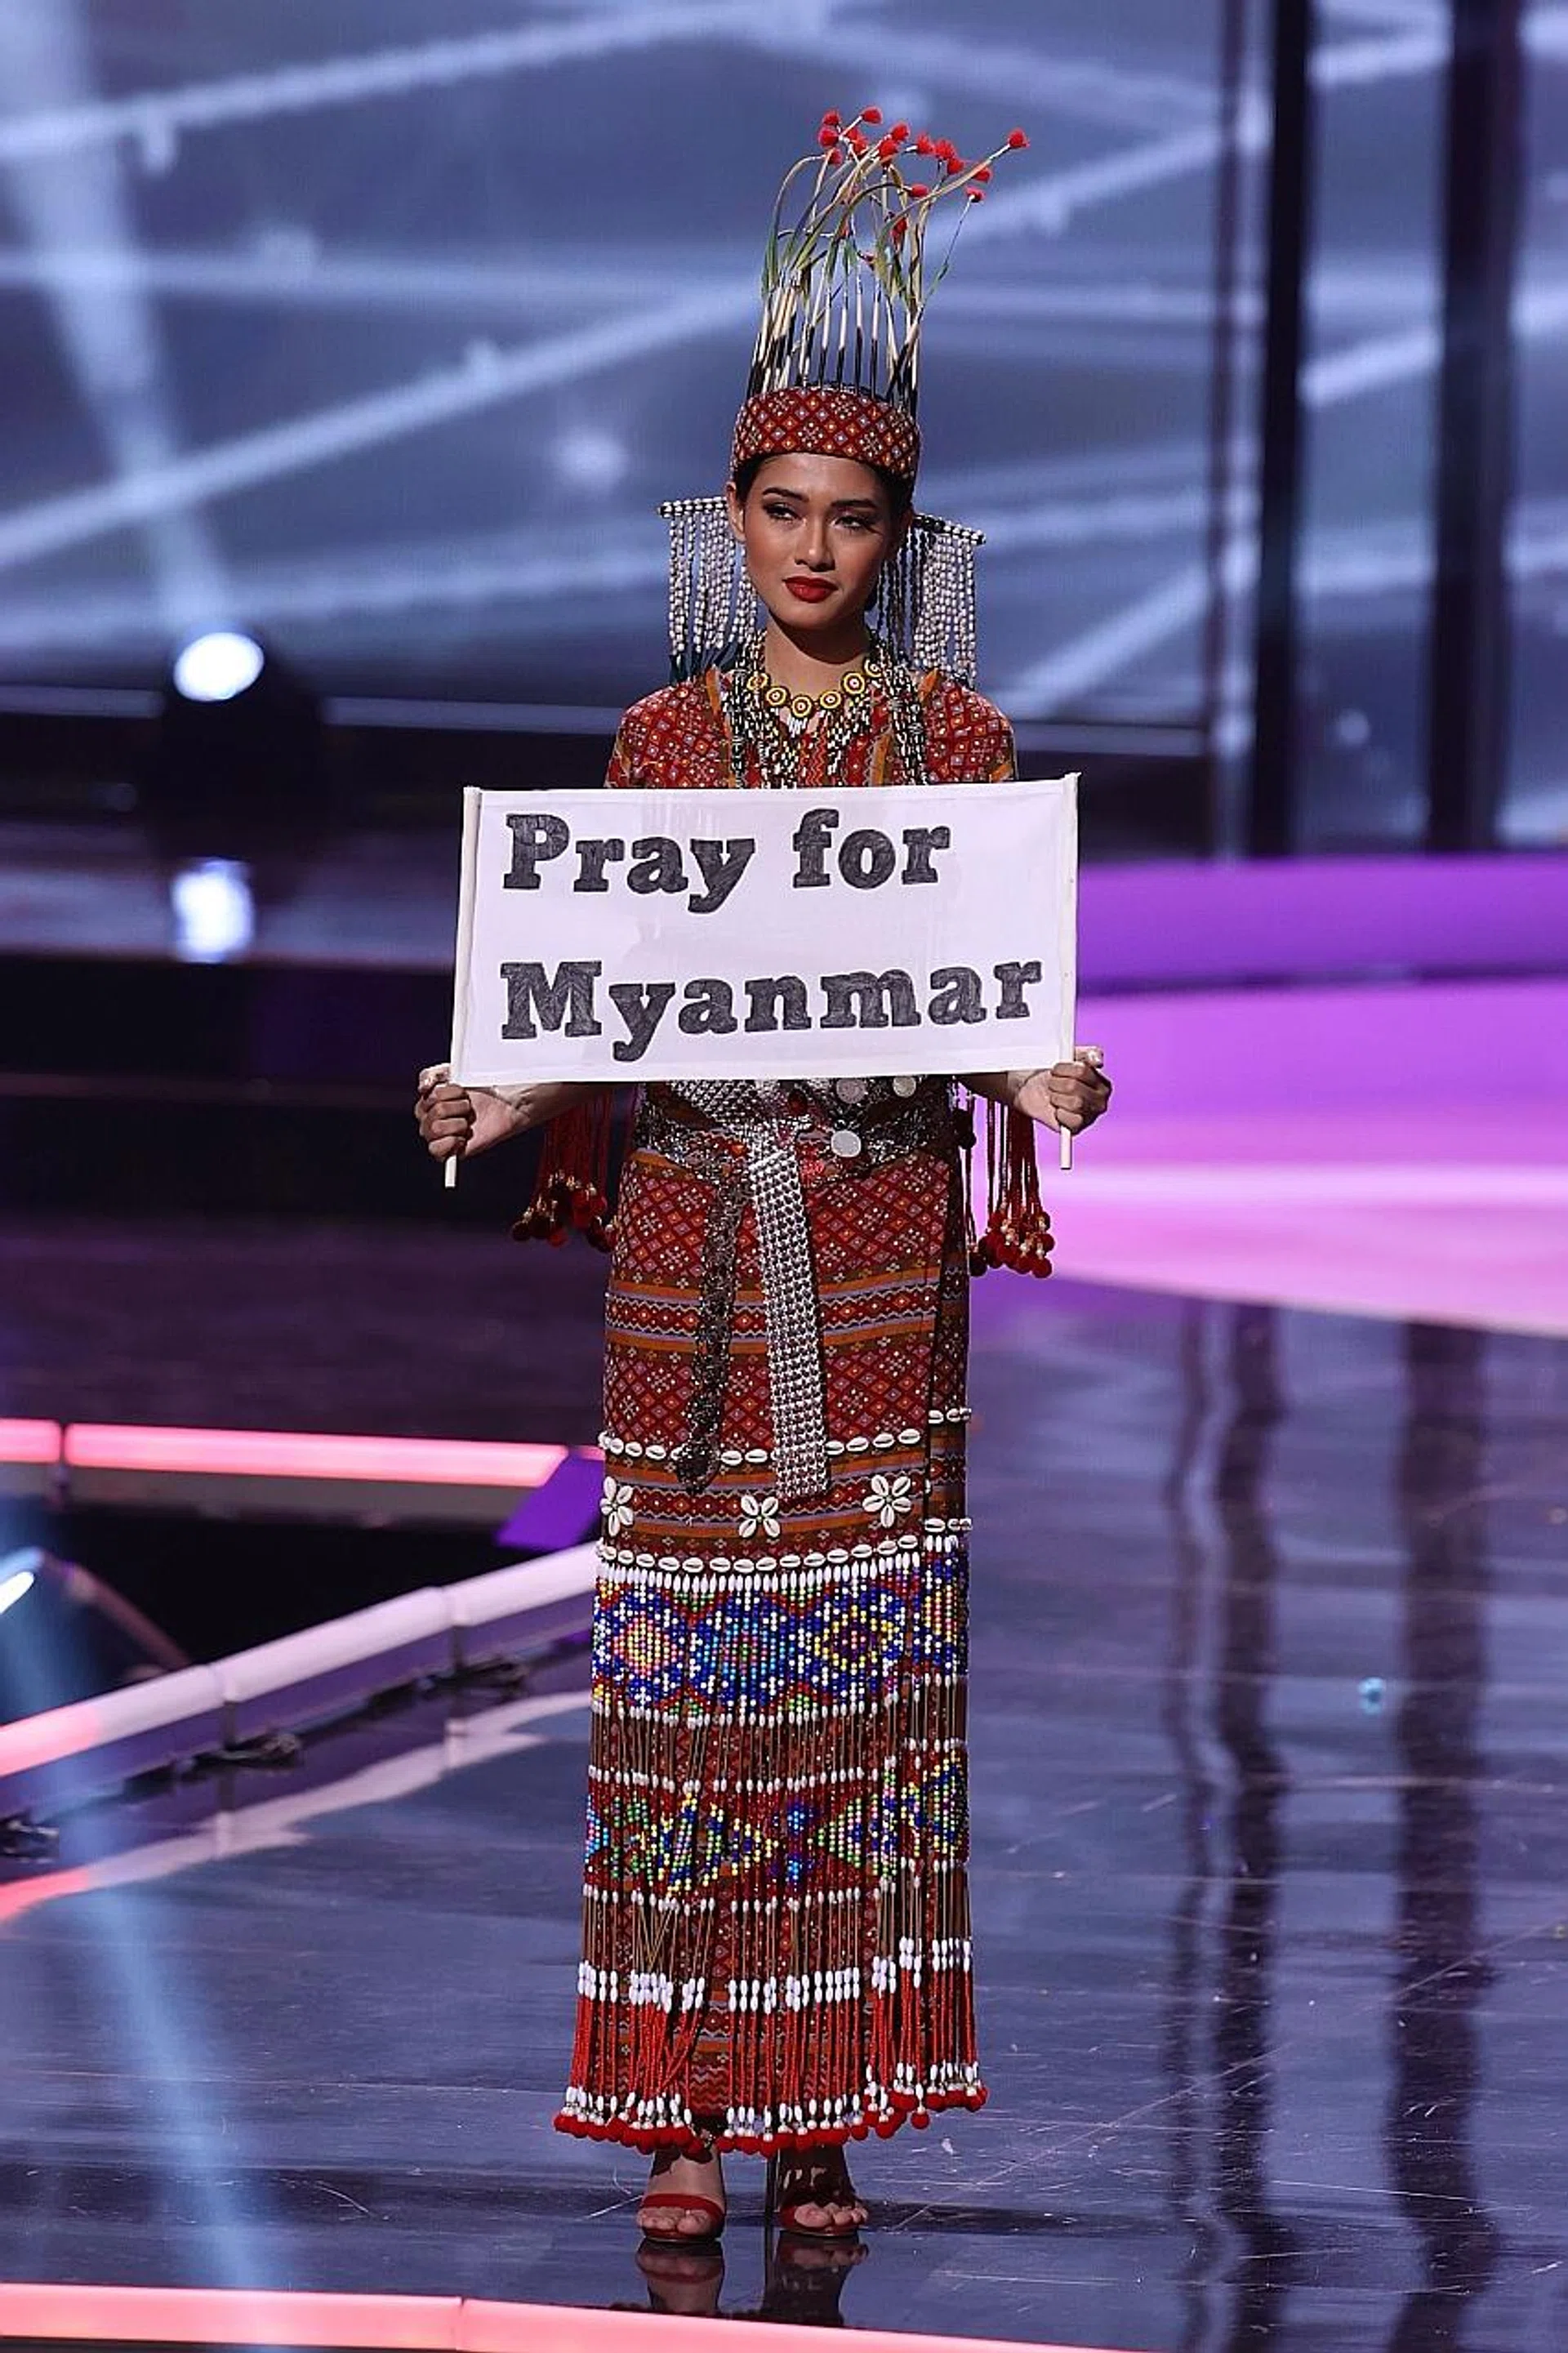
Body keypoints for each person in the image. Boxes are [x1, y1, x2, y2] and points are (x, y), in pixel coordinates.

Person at [416, 109, 1112, 2249]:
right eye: (782, 509)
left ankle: (822, 2112)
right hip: (698, 1246)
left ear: (902, 534)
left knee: (856, 1675)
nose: (815, 547)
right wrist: (501, 1098)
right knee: (685, 1673)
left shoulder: (956, 748)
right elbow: (619, 996)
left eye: (853, 515)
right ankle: (681, 2112)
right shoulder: (663, 746)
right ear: (729, 523)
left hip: (882, 1238)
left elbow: (977, 989)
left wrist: (1043, 1073)